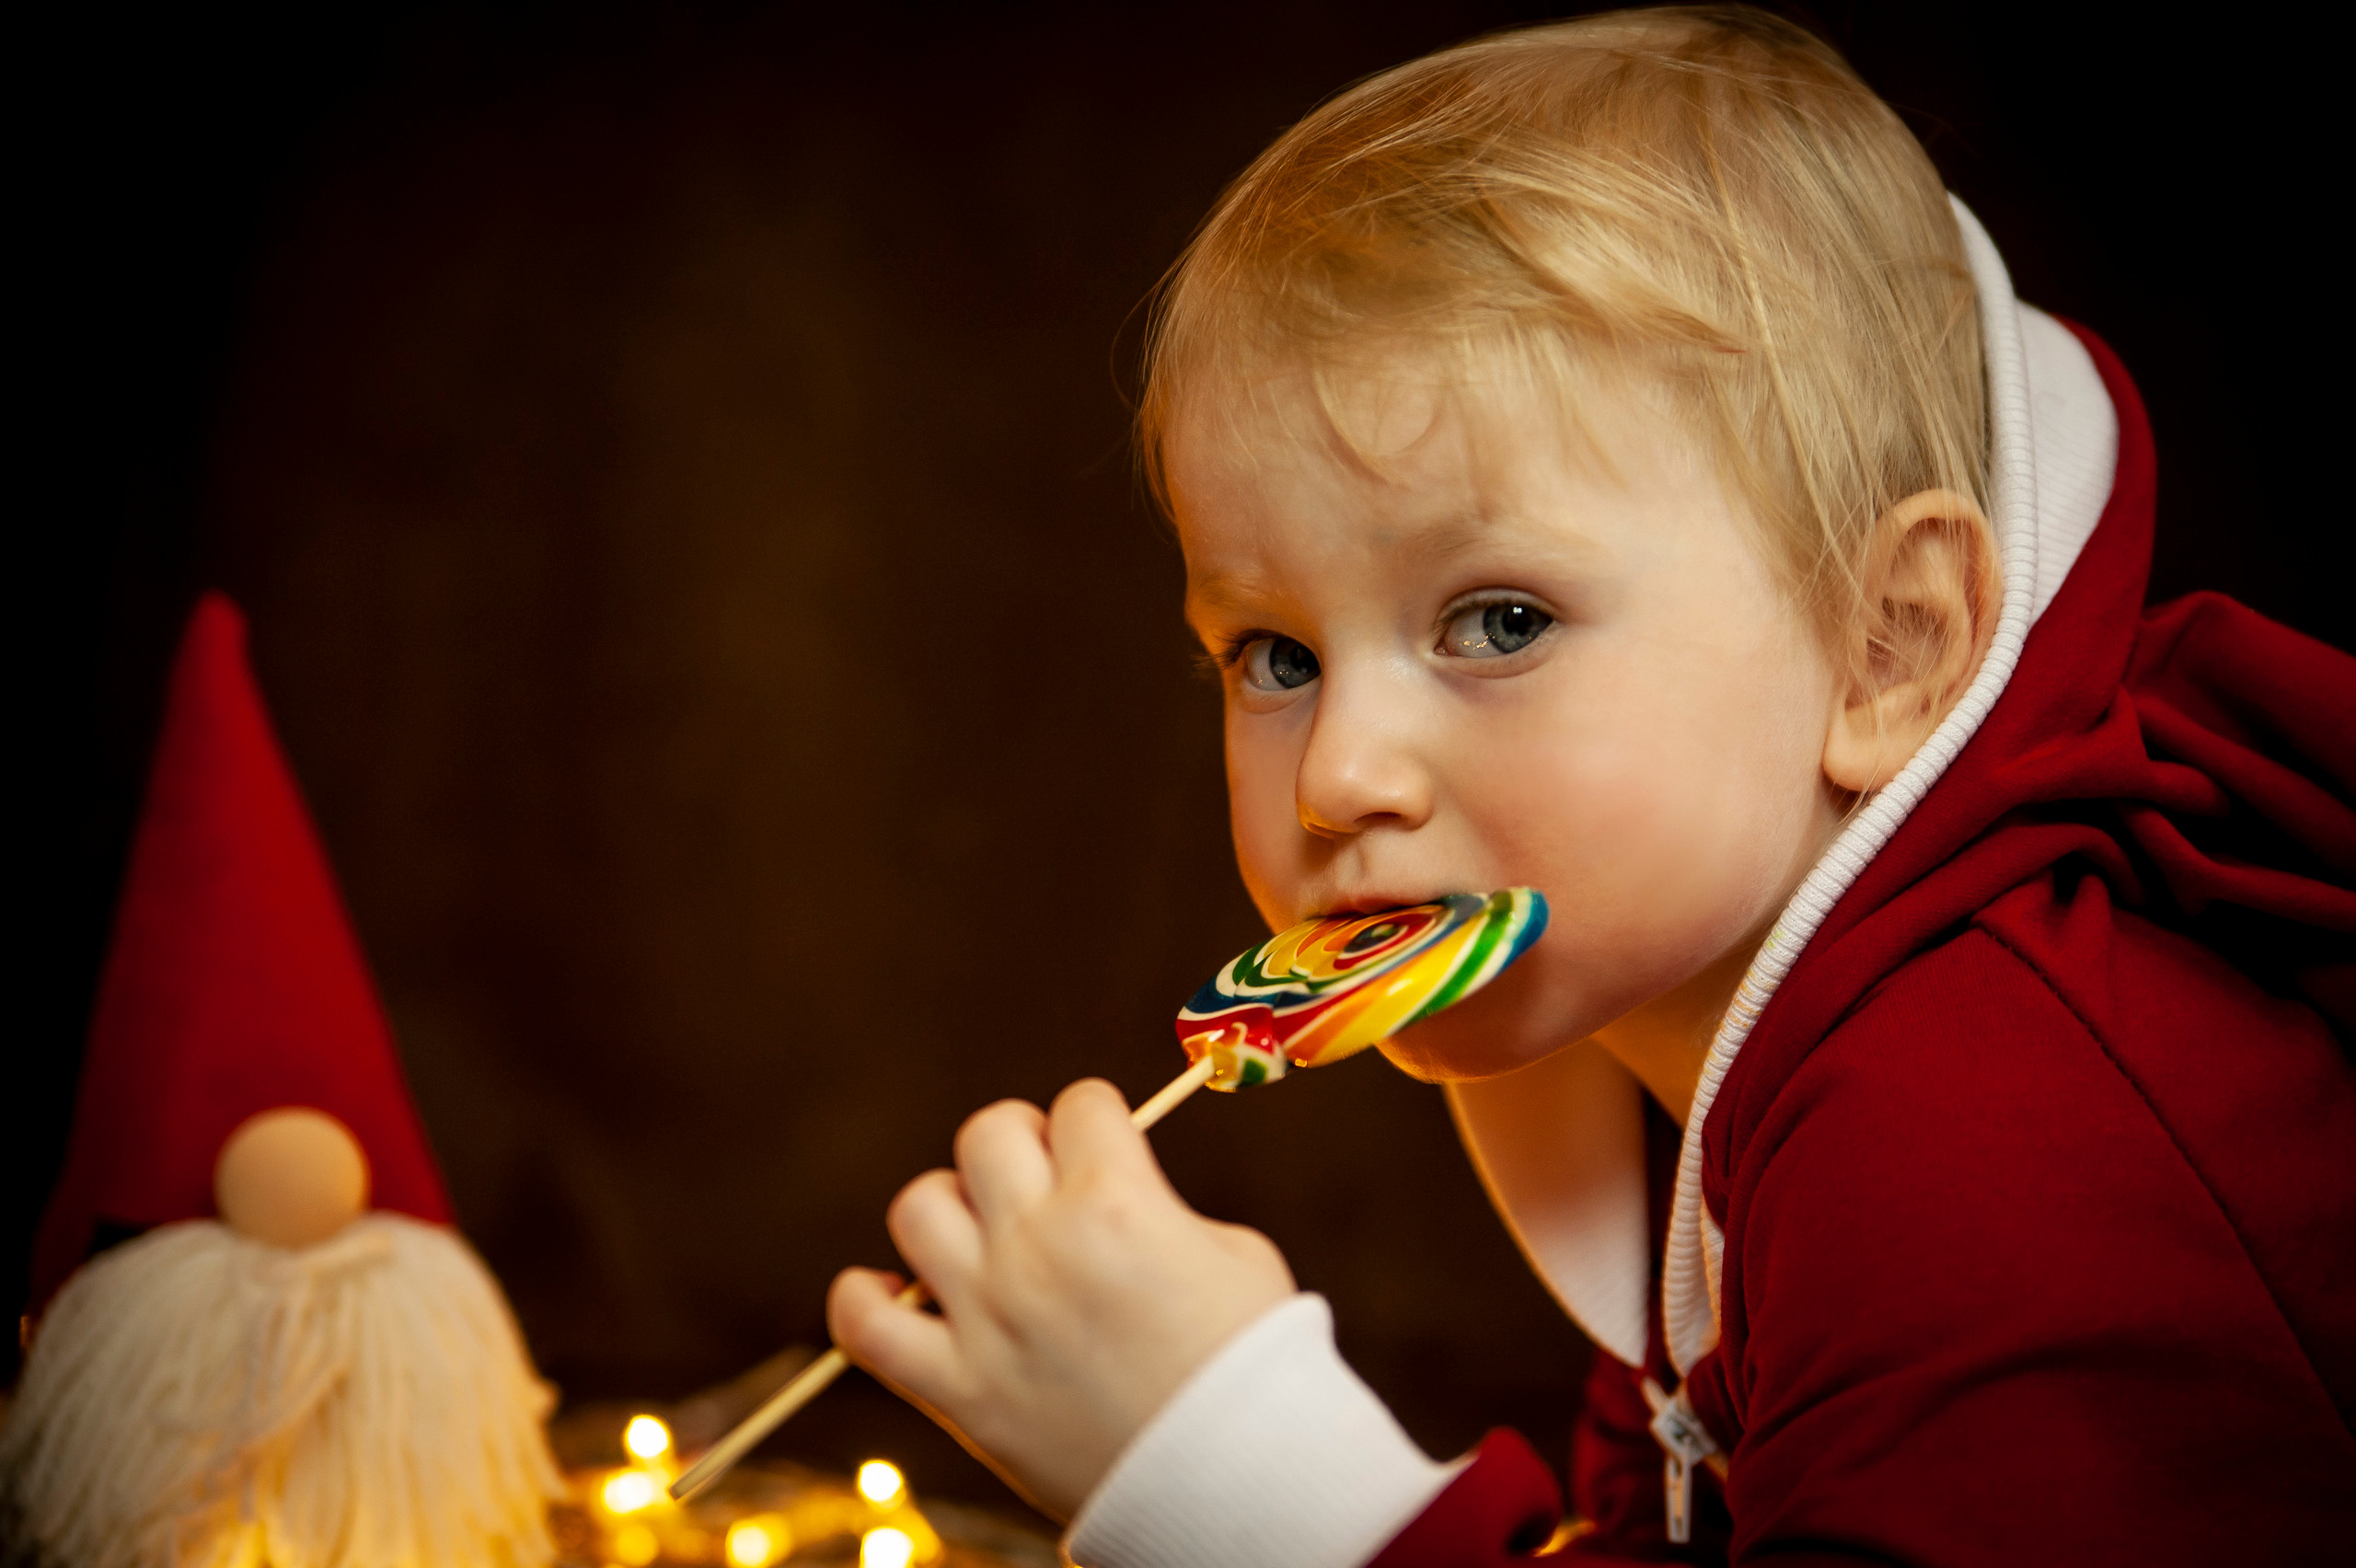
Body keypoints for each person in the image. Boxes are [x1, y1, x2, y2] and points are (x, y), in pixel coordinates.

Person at [826, 8, 2356, 1563]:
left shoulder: (1988, 1143)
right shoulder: (1698, 1074)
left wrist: (1251, 1478)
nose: (1342, 775)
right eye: (1275, 656)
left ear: (1886, 648)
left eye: (1499, 622)